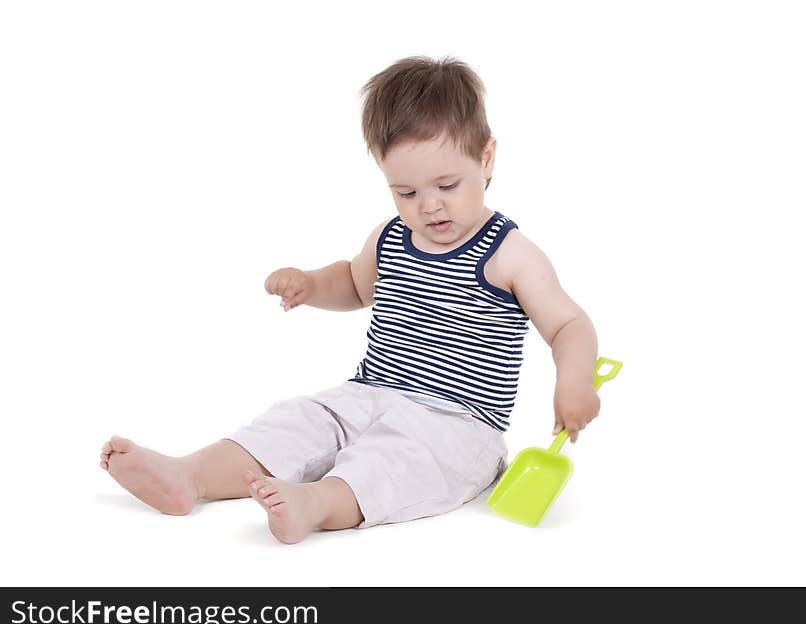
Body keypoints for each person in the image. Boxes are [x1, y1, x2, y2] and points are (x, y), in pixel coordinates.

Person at [99, 55, 600, 544]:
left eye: (447, 184)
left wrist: (574, 380)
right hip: (368, 392)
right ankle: (190, 476)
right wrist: (312, 285)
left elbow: (567, 326)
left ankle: (315, 504)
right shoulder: (390, 236)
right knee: (298, 420)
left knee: (394, 460)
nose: (428, 206)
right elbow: (357, 285)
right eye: (405, 192)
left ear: (486, 159)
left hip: (458, 423)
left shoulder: (510, 254)